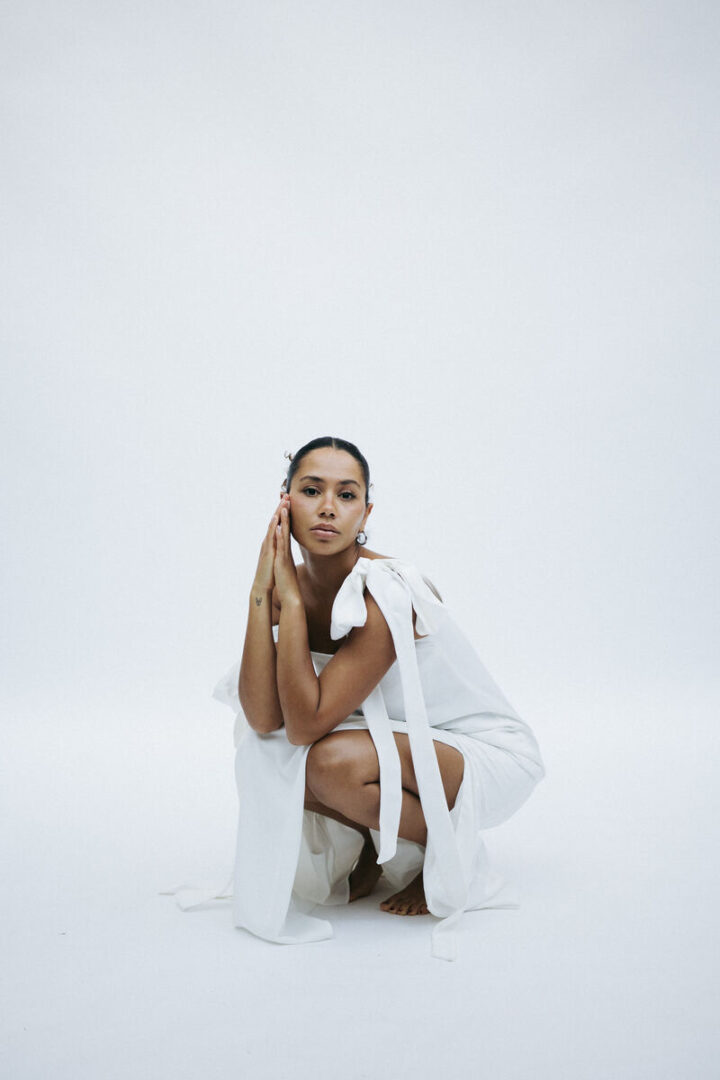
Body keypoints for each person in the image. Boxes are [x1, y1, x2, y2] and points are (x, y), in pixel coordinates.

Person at [211, 435, 545, 960]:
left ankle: (444, 856)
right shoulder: (287, 584)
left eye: (346, 495)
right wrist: (263, 591)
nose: (328, 507)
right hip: (401, 744)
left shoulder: (387, 589)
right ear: (285, 502)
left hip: (481, 755)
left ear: (365, 513)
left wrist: (291, 604)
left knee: (328, 762)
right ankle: (374, 844)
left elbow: (307, 724)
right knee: (264, 756)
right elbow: (263, 719)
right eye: (311, 490)